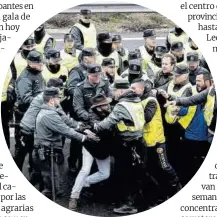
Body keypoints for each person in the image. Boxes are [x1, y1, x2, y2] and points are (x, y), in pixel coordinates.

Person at [34, 87, 99, 199]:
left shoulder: (52, 110)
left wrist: (80, 127)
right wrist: (85, 138)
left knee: (53, 178)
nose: (60, 100)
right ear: (52, 100)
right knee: (50, 181)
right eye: (58, 98)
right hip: (46, 151)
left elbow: (65, 120)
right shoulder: (49, 115)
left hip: (47, 150)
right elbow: (66, 131)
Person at [94, 89, 145, 214]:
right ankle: (134, 201)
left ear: (120, 91)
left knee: (125, 175)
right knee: (134, 174)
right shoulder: (135, 101)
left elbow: (106, 124)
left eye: (114, 90)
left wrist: (95, 126)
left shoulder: (121, 106)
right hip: (138, 142)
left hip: (127, 144)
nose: (112, 93)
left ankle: (129, 205)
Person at [130, 78, 181, 202]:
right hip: (146, 141)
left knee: (164, 166)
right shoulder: (140, 99)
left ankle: (177, 189)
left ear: (142, 88)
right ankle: (159, 193)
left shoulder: (151, 100)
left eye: (134, 88)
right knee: (150, 168)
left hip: (157, 140)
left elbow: (146, 118)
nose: (131, 91)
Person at [166, 71, 211, 185]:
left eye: (199, 81)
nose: (197, 84)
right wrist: (178, 111)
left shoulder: (211, 95)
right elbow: (187, 108)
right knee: (187, 168)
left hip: (206, 139)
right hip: (190, 137)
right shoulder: (193, 92)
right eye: (196, 81)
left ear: (208, 82)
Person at [69, 94, 112, 210]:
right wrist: (86, 130)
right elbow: (79, 126)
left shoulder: (109, 113)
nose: (108, 105)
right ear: (98, 108)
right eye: (105, 105)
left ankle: (84, 182)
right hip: (90, 147)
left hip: (103, 149)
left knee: (105, 174)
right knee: (85, 170)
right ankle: (74, 197)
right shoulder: (91, 117)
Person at [14, 50, 46, 171]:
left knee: (34, 146)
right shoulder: (25, 78)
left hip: (35, 114)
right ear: (30, 63)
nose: (41, 65)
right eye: (38, 63)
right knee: (23, 147)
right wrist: (43, 100)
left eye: (41, 62)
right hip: (25, 116)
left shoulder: (37, 72)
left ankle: (33, 170)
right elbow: (26, 98)